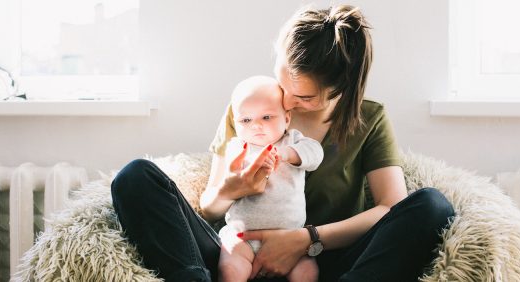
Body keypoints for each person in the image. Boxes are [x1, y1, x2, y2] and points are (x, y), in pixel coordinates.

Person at [111, 4, 455, 282]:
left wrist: (306, 240)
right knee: (134, 177)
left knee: (433, 207)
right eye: (281, 82)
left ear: (340, 89)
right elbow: (210, 208)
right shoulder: (252, 106)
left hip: (324, 262)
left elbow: (388, 208)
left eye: (304, 96)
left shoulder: (370, 118)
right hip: (235, 255)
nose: (286, 101)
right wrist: (231, 190)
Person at [217, 75, 323, 282]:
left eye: (266, 117)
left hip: (290, 239)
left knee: (308, 273)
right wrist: (246, 167)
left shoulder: (292, 140)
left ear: (287, 118)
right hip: (242, 237)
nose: (256, 126)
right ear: (235, 122)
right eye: (246, 120)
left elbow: (315, 154)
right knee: (229, 269)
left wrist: (287, 154)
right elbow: (231, 176)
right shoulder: (238, 147)